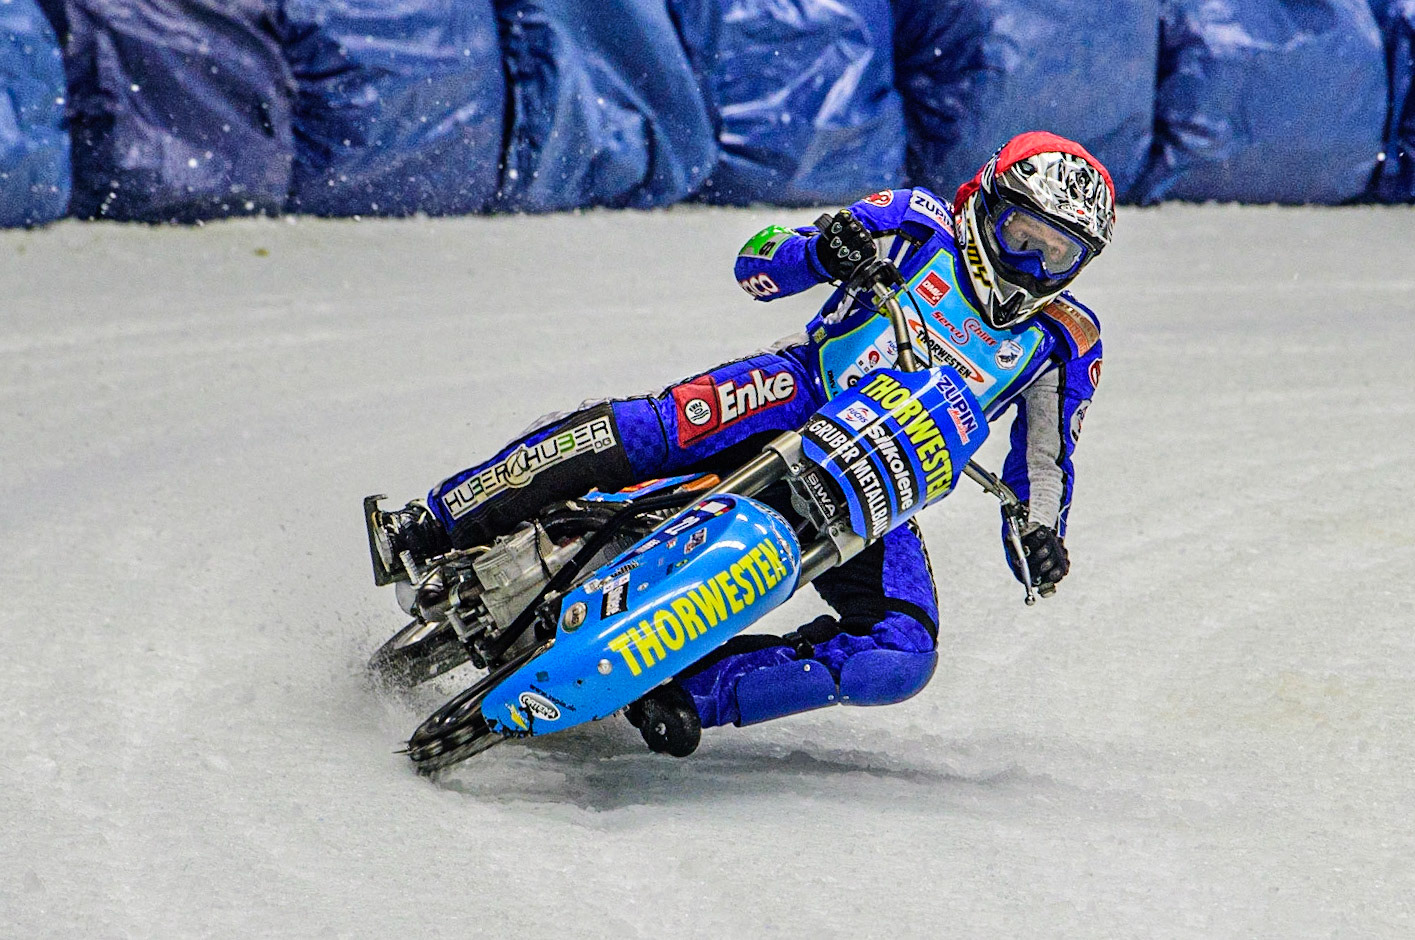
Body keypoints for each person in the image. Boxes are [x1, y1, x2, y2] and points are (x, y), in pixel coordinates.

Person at [372, 130, 1114, 755]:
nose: (1030, 269)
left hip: (878, 480)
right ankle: (434, 518)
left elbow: (1045, 462)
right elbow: (756, 260)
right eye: (1022, 238)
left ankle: (688, 692)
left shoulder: (1064, 340)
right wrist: (824, 252)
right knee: (646, 429)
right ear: (984, 205)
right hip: (793, 392)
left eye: (1057, 256)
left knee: (901, 651)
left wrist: (1039, 535)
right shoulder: (918, 221)